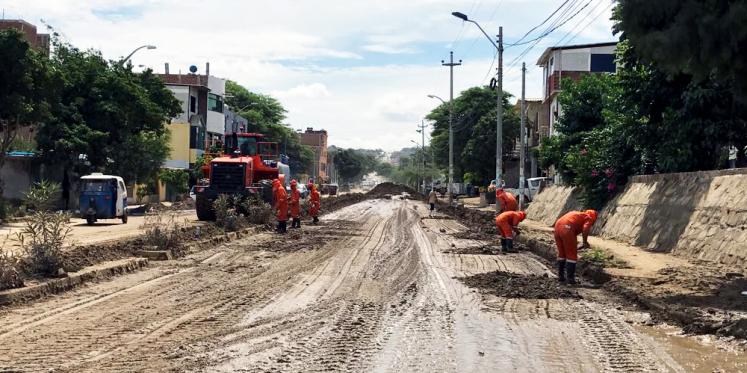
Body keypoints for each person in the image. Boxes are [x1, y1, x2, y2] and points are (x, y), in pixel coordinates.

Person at [553, 209, 598, 284]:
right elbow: (585, 229)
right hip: (567, 228)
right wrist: (584, 242)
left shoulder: (578, 214)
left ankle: (560, 276)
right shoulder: (589, 217)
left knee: (562, 253)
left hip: (557, 227)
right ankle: (570, 279)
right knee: (571, 255)